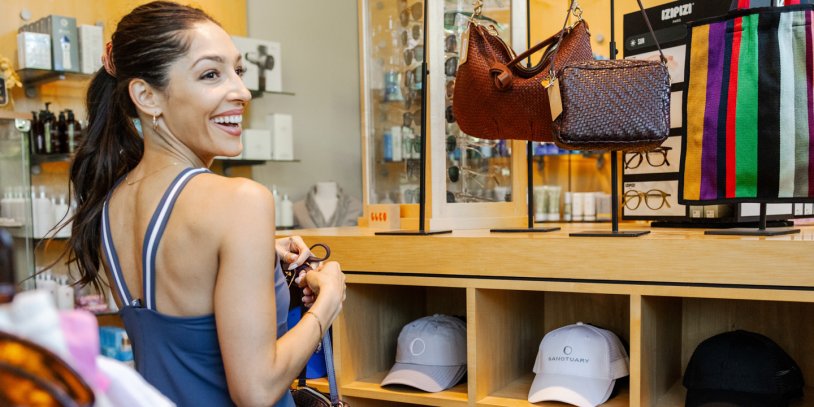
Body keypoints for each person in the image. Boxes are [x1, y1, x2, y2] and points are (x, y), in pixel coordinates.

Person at [62, 2, 346, 406]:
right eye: (211, 74)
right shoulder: (241, 201)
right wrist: (330, 299)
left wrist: (258, 257)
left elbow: (179, 307)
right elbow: (257, 389)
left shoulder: (112, 204)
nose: (242, 92)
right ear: (146, 95)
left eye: (238, 71)